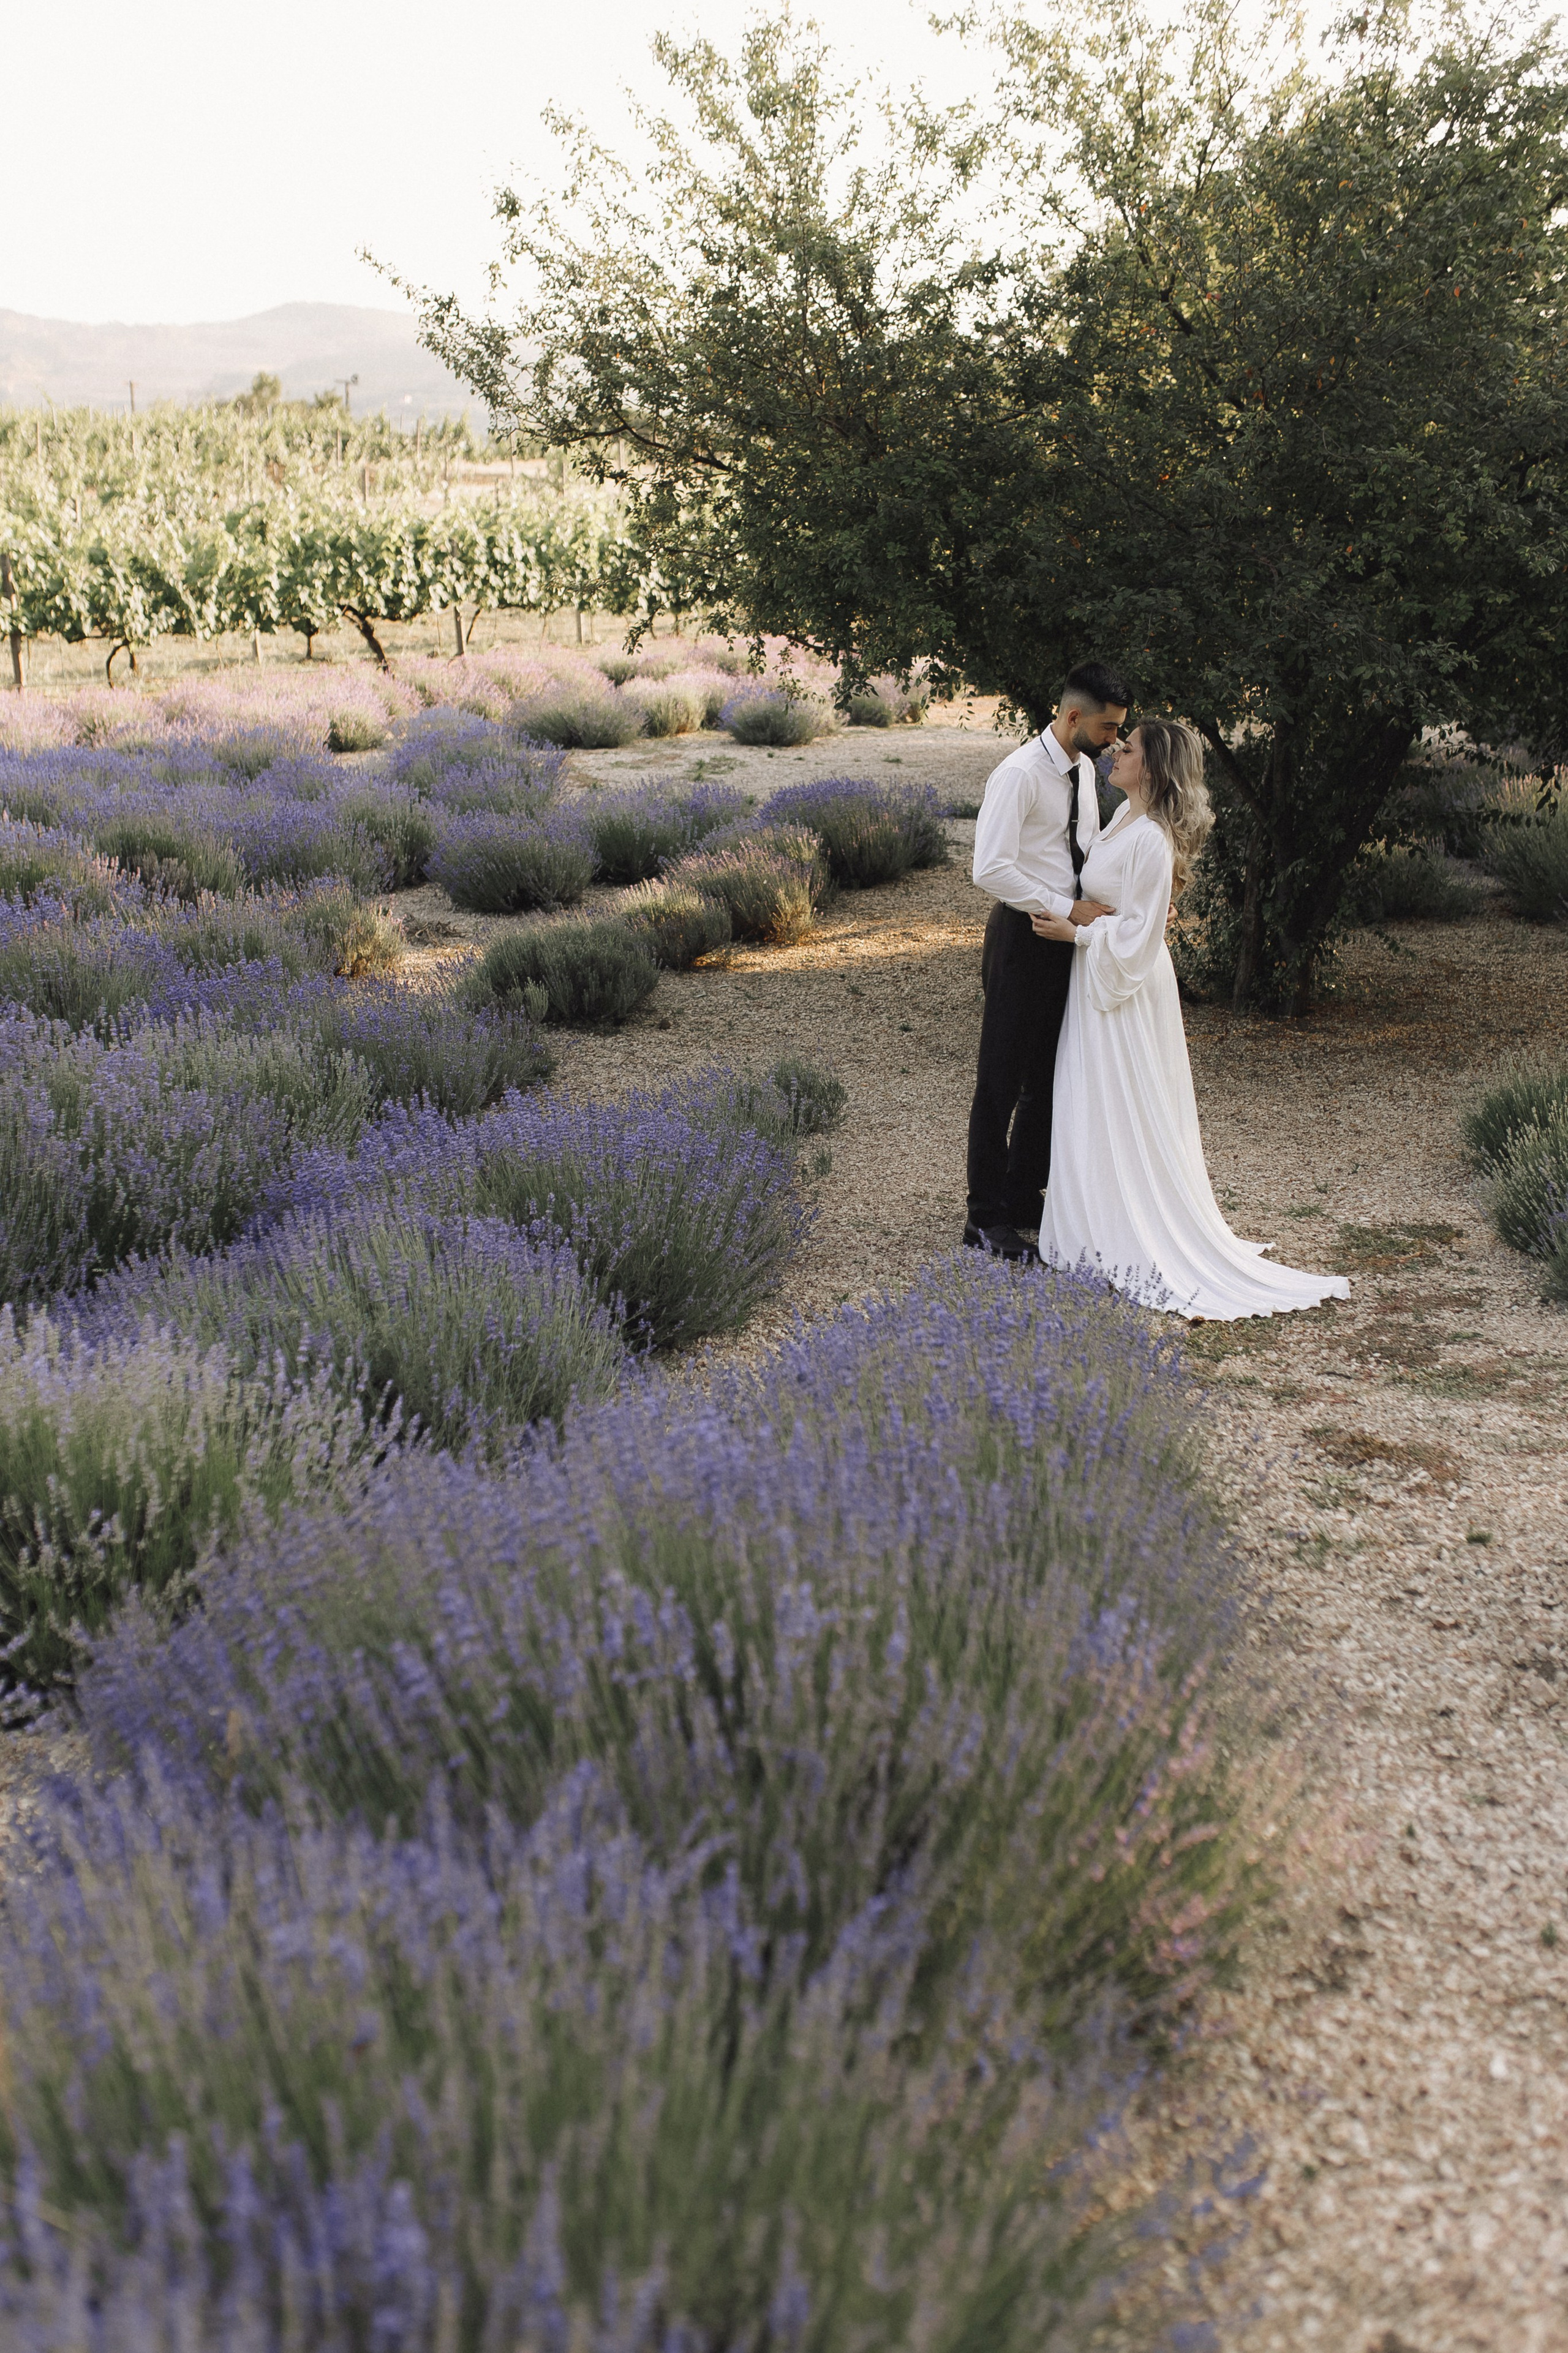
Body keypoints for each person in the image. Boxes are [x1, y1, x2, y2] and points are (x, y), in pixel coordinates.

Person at [1033, 716, 1350, 1321]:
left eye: (1126, 749)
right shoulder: (1120, 816)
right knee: (1094, 1099)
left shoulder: (1151, 836)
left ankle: (1134, 1226)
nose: (1115, 753)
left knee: (1124, 1103)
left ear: (1151, 768)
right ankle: (1095, 1217)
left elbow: (1140, 936)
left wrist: (1074, 932)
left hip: (1122, 982)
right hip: (1098, 975)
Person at [965, 660, 1129, 1260]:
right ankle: (982, 1220)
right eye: (1109, 728)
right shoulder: (1019, 774)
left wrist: (1115, 906)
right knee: (1000, 1083)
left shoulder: (1085, 771)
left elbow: (1081, 851)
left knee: (1046, 1081)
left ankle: (1019, 1194)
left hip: (1065, 939)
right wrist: (1065, 907)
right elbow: (988, 867)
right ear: (1073, 716)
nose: (1115, 741)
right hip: (1021, 935)